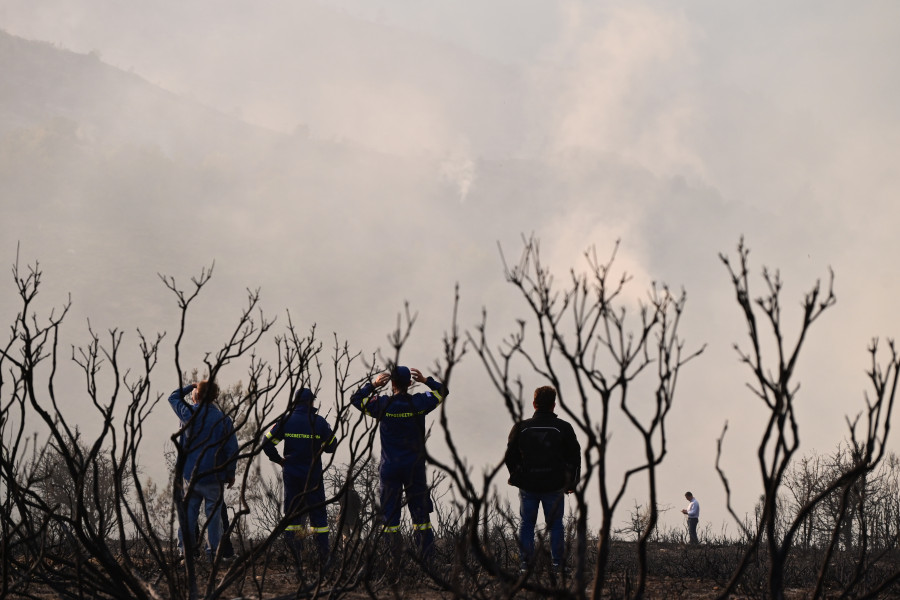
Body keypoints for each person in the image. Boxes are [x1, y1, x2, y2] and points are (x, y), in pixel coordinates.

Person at [349, 366, 448, 562]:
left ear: (391, 383)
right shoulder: (420, 402)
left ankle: (392, 559)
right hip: (414, 468)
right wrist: (427, 380)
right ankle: (426, 558)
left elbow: (355, 400)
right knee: (420, 517)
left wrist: (373, 385)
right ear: (410, 383)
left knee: (390, 516)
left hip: (390, 468)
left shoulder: (382, 404)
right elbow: (443, 392)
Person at [504, 386, 580, 572]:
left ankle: (525, 565)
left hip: (528, 485)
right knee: (555, 524)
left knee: (526, 524)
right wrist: (571, 482)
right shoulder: (564, 428)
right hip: (554, 485)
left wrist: (516, 476)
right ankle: (558, 565)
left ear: (534, 404)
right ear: (554, 405)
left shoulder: (521, 427)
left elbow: (509, 456)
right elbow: (574, 457)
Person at [262, 387, 337, 575]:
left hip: (292, 475)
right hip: (313, 477)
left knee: (293, 517)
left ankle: (294, 557)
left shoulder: (286, 421)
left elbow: (266, 442)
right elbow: (331, 447)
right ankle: (323, 558)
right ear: (311, 402)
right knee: (319, 517)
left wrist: (278, 460)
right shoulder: (319, 422)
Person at [168, 380, 238, 563]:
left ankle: (186, 553)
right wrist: (230, 472)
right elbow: (232, 448)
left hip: (190, 474)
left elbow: (173, 397)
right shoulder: (223, 419)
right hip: (214, 475)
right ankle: (213, 553)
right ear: (215, 396)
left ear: (197, 395)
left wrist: (190, 387)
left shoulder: (188, 413)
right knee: (214, 517)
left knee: (188, 514)